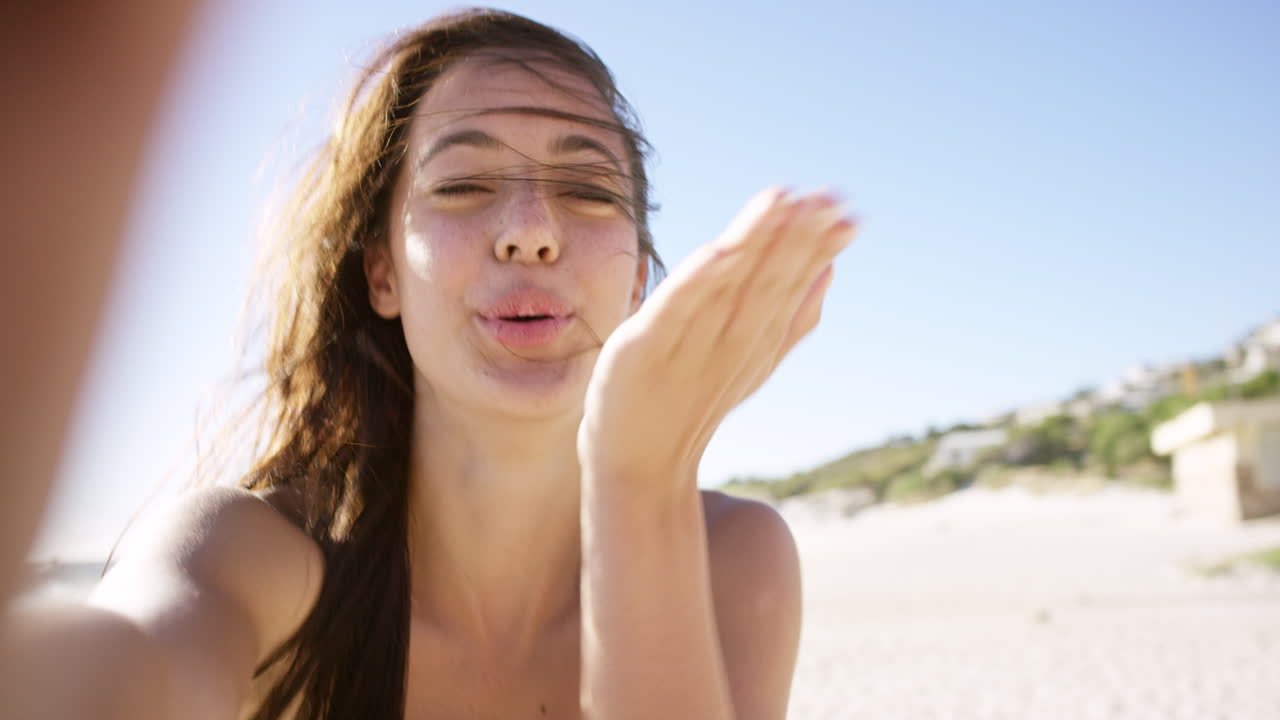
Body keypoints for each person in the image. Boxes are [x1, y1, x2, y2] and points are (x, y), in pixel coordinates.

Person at [13, 8, 855, 719]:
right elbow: (108, 676)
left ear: (638, 276)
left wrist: (643, 485)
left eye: (588, 189)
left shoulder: (733, 562)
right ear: (382, 271)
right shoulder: (247, 560)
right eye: (463, 186)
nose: (531, 229)